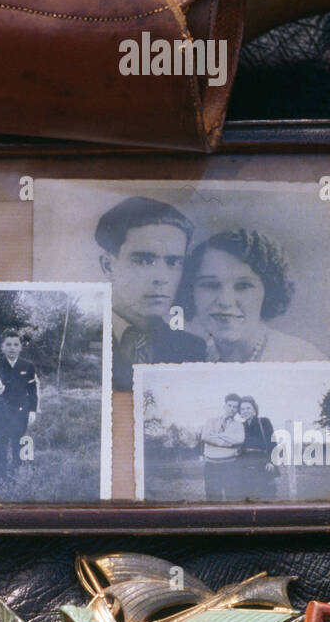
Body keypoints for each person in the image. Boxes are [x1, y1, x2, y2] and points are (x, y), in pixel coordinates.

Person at [95, 196, 207, 390]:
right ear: (108, 266)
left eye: (173, 262)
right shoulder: (80, 337)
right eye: (144, 261)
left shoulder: (192, 349)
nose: (162, 277)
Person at [180, 228, 326, 363]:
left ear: (268, 292)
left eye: (243, 286)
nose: (225, 300)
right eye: (211, 285)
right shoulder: (196, 358)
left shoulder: (301, 360)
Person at [0, 329, 38, 483]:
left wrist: (33, 410)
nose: (12, 348)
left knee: (18, 440)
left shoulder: (28, 366)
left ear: (20, 347)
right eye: (8, 344)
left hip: (21, 410)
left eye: (15, 344)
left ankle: (16, 470)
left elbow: (32, 390)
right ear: (2, 347)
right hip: (1, 409)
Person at [200, 392, 245, 501]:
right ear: (224, 406)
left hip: (230, 466)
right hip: (211, 466)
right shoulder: (211, 421)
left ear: (237, 410)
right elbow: (205, 437)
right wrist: (229, 443)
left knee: (233, 498)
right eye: (229, 405)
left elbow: (239, 440)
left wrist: (219, 435)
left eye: (235, 407)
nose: (232, 409)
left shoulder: (239, 425)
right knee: (213, 499)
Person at [236, 394, 278, 499]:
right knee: (247, 497)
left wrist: (271, 462)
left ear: (254, 409)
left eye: (248, 408)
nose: (245, 411)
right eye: (242, 409)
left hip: (263, 464)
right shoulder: (240, 426)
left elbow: (273, 444)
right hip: (245, 466)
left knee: (266, 496)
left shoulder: (264, 422)